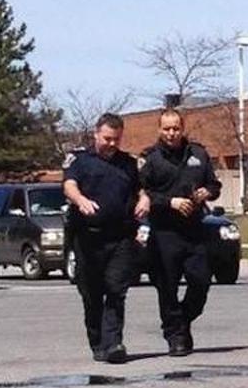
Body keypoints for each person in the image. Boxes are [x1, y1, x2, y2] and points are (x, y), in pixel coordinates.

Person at [63, 113, 148, 363]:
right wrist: (80, 200)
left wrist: (144, 199)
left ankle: (114, 344)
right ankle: (97, 341)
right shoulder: (80, 160)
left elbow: (142, 188)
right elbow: (69, 184)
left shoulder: (129, 163)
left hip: (120, 236)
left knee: (116, 289)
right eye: (107, 138)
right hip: (88, 237)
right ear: (96, 134)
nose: (112, 144)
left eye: (116, 139)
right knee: (91, 292)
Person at [138, 108, 222, 356]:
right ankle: (176, 336)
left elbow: (214, 184)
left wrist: (207, 192)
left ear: (182, 128)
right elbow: (142, 192)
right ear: (159, 129)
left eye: (176, 128)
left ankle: (182, 321)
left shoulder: (198, 153)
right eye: (167, 129)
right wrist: (170, 202)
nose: (172, 133)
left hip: (195, 229)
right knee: (167, 287)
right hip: (165, 232)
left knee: (201, 281)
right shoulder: (150, 159)